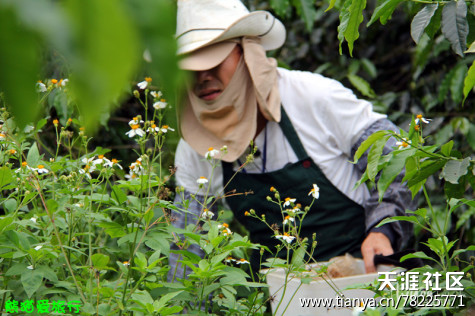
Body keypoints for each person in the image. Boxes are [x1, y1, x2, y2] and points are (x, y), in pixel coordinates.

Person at [168, 0, 414, 280]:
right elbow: (186, 251)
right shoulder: (196, 144)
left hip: (362, 278)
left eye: (214, 59)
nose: (203, 75)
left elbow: (397, 159)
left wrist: (383, 230)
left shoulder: (313, 97)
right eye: (190, 65)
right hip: (279, 293)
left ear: (247, 52)